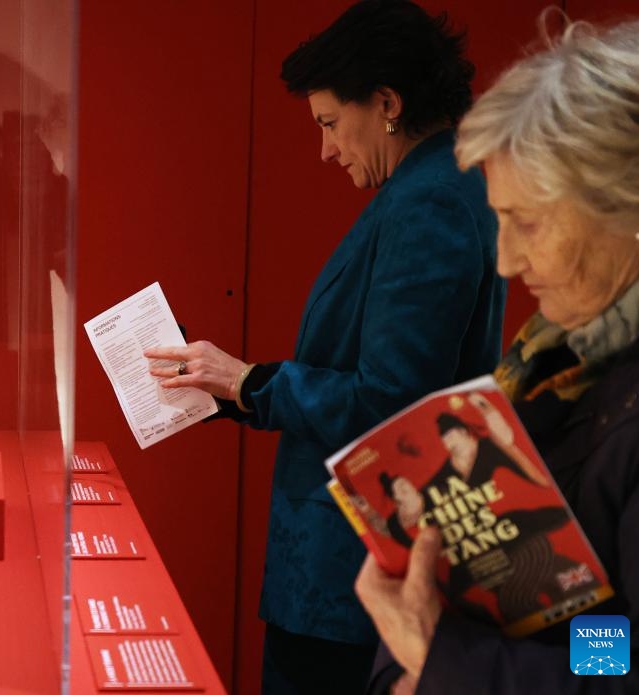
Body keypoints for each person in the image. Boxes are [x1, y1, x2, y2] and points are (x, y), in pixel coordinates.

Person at [144, 2, 505, 691]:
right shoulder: (426, 188)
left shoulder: (427, 201)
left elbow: (391, 401)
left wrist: (250, 381)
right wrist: (231, 386)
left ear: (388, 103)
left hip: (355, 570)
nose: (326, 149)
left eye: (331, 124)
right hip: (358, 566)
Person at [356, 16, 639, 693]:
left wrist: (448, 661)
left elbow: (636, 666)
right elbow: (606, 630)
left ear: (630, 207)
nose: (508, 261)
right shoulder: (560, 360)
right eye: (500, 220)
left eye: (529, 222)